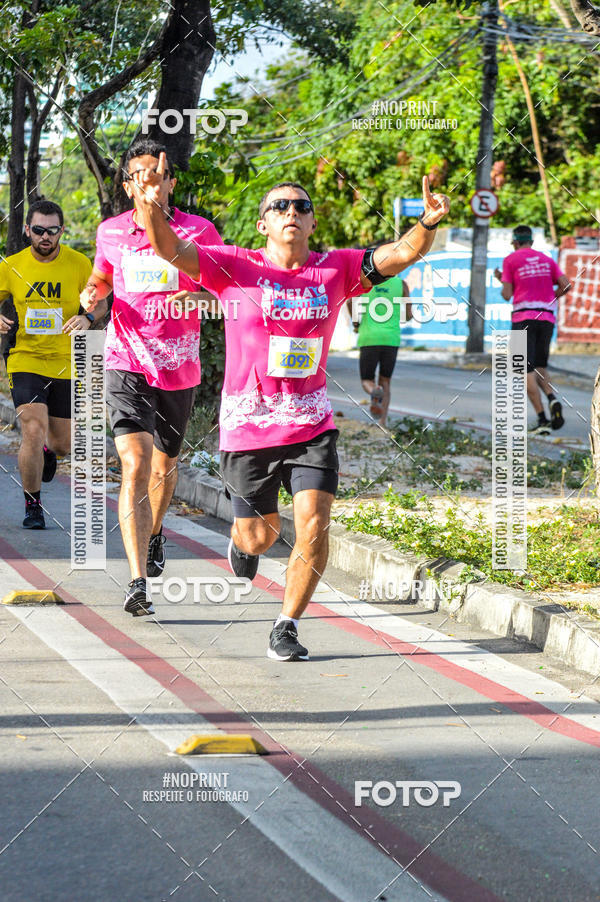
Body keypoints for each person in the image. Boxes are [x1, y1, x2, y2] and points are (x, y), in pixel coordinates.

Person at [137, 155, 449, 659]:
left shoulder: (336, 269)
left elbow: (397, 256)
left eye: (300, 206)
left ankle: (286, 624)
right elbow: (169, 248)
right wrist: (150, 201)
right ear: (263, 223)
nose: (291, 212)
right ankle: (243, 541)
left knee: (314, 525)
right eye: (279, 205)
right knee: (262, 537)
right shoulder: (234, 265)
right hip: (248, 432)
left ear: (311, 221)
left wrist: (428, 223)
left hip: (311, 427)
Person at [80, 138, 223, 617]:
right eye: (139, 174)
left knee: (164, 466)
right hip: (126, 360)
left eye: (156, 173)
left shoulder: (199, 231)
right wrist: (92, 293)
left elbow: (225, 293)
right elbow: (103, 277)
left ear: (171, 181)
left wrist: (198, 301)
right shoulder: (111, 232)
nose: (148, 181)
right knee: (135, 464)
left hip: (178, 367)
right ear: (126, 185)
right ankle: (138, 580)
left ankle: (156, 531)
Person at [0, 199, 103, 529]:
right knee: (31, 426)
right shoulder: (12, 265)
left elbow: (100, 303)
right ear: (27, 229)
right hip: (25, 358)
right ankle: (33, 506)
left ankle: (48, 449)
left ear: (62, 231)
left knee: (62, 444)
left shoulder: (78, 263)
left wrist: (87, 318)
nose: (46, 237)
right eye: (39, 230)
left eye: (52, 231)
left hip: (66, 363)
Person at [494, 225, 571, 435]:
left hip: (523, 318)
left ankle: (542, 419)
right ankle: (552, 399)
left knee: (523, 370)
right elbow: (566, 285)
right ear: (531, 242)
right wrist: (549, 299)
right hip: (546, 318)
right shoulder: (547, 259)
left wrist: (501, 279)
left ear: (515, 242)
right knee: (539, 366)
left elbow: (507, 294)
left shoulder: (511, 260)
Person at [350, 275, 412, 427]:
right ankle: (382, 423)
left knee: (366, 380)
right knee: (385, 381)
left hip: (369, 338)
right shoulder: (401, 284)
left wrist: (356, 321)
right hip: (391, 339)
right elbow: (408, 315)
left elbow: (350, 301)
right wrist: (399, 315)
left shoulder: (366, 282)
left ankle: (373, 391)